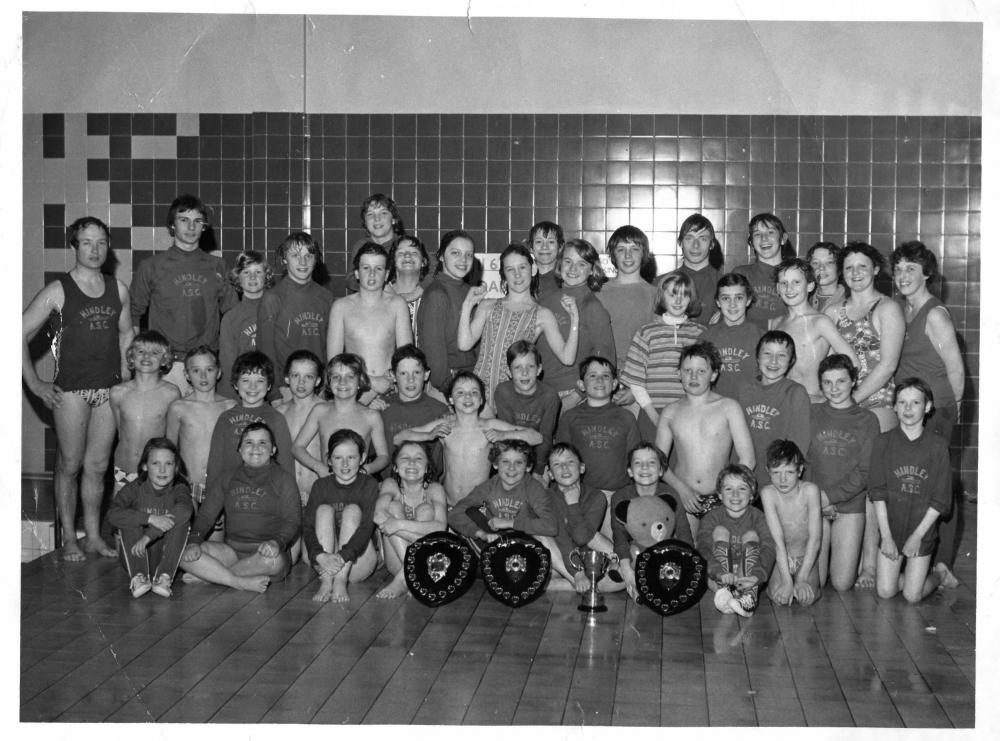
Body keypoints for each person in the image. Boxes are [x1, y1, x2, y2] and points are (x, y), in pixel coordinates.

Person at [22, 216, 132, 561]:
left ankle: (94, 536)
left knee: (98, 466)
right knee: (70, 464)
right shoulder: (59, 289)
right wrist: (35, 383)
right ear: (74, 245)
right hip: (70, 392)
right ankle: (69, 537)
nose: (95, 249)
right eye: (87, 242)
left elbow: (126, 333)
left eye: (101, 242)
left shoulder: (119, 289)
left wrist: (126, 378)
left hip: (107, 391)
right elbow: (16, 333)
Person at [891, 241, 964, 589]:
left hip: (936, 409)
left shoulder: (934, 314)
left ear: (927, 274)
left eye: (911, 269)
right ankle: (923, 556)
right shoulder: (902, 311)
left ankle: (944, 563)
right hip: (912, 408)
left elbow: (956, 370)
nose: (903, 275)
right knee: (918, 480)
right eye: (899, 268)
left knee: (937, 483)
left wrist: (949, 412)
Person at [130, 194, 237, 394]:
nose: (191, 227)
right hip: (165, 365)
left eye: (197, 221)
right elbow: (133, 317)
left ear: (204, 226)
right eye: (184, 220)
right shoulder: (151, 266)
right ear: (172, 225)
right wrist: (137, 367)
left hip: (204, 365)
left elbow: (234, 316)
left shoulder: (217, 266)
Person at [181, 422, 300, 592]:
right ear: (239, 449)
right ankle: (236, 580)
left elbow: (293, 520)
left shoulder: (284, 479)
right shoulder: (227, 478)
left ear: (273, 449)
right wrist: (194, 542)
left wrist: (276, 542)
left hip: (265, 555)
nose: (255, 448)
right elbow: (206, 515)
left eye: (263, 443)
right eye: (249, 442)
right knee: (183, 553)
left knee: (273, 562)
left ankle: (212, 576)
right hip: (231, 552)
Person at [459, 243, 579, 408]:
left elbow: (567, 358)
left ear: (533, 269)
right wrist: (467, 305)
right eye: (510, 269)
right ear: (503, 275)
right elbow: (465, 344)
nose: (517, 275)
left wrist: (575, 319)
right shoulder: (488, 305)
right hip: (478, 395)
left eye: (522, 267)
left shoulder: (542, 314)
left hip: (513, 398)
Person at [656, 342, 755, 538]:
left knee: (719, 559)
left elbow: (748, 460)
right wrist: (681, 489)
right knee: (686, 558)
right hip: (683, 496)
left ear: (714, 374)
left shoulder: (728, 407)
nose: (694, 377)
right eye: (688, 370)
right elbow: (658, 462)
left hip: (722, 498)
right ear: (678, 374)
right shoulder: (670, 411)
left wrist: (729, 494)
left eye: (701, 371)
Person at [403, 371, 542, 506]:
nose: (468, 397)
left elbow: (536, 437)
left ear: (481, 400)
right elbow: (400, 437)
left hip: (477, 506)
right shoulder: (444, 426)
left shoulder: (489, 426)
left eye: (474, 392)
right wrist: (428, 435)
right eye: (460, 392)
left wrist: (503, 435)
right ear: (451, 399)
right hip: (447, 504)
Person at [870, 379, 952, 603]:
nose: (908, 409)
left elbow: (940, 500)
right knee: (885, 592)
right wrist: (886, 537)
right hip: (892, 528)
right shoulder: (882, 442)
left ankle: (939, 574)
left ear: (927, 407)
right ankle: (908, 573)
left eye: (915, 402)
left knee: (912, 596)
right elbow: (877, 493)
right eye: (902, 402)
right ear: (894, 407)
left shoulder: (937, 446)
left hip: (921, 529)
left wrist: (917, 537)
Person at [807, 354, 879, 591]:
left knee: (841, 584)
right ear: (820, 384)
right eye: (827, 382)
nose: (834, 388)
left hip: (849, 505)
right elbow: (803, 461)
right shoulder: (812, 413)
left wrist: (831, 497)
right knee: (814, 581)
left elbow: (866, 471)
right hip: (815, 503)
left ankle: (859, 560)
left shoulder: (867, 420)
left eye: (841, 381)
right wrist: (815, 498)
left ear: (853, 381)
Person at [555, 356, 641, 537]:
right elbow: (561, 460)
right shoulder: (570, 418)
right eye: (592, 376)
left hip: (615, 496)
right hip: (581, 495)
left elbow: (635, 461)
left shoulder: (626, 418)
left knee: (612, 549)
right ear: (581, 384)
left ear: (615, 383)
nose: (600, 380)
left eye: (606, 376)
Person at [825, 241, 904, 430]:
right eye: (849, 268)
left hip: (878, 399)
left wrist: (852, 399)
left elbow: (888, 366)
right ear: (842, 273)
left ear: (875, 269)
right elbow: (827, 363)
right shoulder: (833, 312)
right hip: (839, 398)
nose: (855, 273)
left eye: (862, 266)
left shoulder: (887, 308)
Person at [621, 270, 706, 440]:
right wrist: (653, 416)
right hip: (652, 411)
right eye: (672, 294)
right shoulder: (646, 333)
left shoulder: (700, 333)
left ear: (691, 299)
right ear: (662, 296)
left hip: (691, 411)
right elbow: (636, 383)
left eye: (684, 295)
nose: (678, 300)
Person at [107, 437, 193, 598]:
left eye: (168, 464)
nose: (162, 470)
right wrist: (149, 518)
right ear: (145, 466)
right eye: (155, 463)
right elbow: (112, 514)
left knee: (181, 519)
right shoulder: (135, 488)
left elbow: (185, 510)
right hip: (135, 556)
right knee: (129, 518)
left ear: (176, 468)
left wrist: (149, 536)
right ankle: (138, 577)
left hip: (169, 558)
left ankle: (164, 577)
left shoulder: (179, 489)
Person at [302, 429, 381, 603]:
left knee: (352, 510)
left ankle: (339, 580)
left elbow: (366, 528)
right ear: (329, 459)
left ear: (362, 458)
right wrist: (320, 556)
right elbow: (307, 527)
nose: (345, 464)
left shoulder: (369, 485)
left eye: (351, 458)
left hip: (356, 560)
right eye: (338, 458)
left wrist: (342, 557)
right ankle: (326, 580)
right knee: (323, 510)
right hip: (325, 559)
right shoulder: (320, 485)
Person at [537, 239, 615, 410]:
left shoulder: (592, 307)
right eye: (568, 261)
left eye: (581, 264)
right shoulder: (546, 301)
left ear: (592, 270)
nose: (573, 269)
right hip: (540, 390)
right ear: (559, 265)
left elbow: (606, 359)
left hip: (572, 393)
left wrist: (577, 395)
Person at [328, 242, 412, 402]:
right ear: (357, 273)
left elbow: (406, 359)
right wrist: (371, 384)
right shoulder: (341, 307)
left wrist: (387, 384)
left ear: (387, 275)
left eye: (378, 268)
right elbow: (334, 363)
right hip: (353, 392)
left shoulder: (397, 305)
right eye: (366, 268)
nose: (372, 274)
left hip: (389, 390)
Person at [610, 443, 695, 602]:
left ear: (661, 470)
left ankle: (648, 587)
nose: (644, 468)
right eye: (637, 463)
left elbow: (684, 532)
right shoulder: (620, 497)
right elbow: (619, 537)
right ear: (629, 471)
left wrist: (686, 563)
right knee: (615, 578)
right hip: (634, 552)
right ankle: (638, 584)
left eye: (651, 462)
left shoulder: (670, 493)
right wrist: (627, 569)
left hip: (664, 554)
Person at [257, 232, 333, 401]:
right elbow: (266, 352)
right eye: (295, 255)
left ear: (316, 259)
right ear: (284, 259)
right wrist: (276, 393)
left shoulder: (326, 298)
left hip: (318, 389)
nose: (303, 262)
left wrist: (325, 387)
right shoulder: (273, 298)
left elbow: (330, 349)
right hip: (286, 390)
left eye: (309, 255)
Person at [769, 257, 858, 402]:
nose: (789, 288)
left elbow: (853, 363)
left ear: (810, 286)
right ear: (778, 289)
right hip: (783, 402)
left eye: (796, 282)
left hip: (812, 403)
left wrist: (830, 397)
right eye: (784, 283)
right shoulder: (777, 324)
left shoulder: (820, 322)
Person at [291, 353, 390, 481]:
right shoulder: (320, 411)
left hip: (360, 484)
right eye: (336, 377)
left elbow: (383, 456)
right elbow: (297, 447)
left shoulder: (371, 416)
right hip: (329, 484)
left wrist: (366, 470)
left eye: (350, 377)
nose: (342, 382)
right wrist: (319, 467)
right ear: (329, 382)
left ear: (360, 382)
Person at [206, 351, 295, 490]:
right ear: (235, 384)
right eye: (245, 380)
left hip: (266, 496)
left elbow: (286, 465)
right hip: (230, 495)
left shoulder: (276, 418)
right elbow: (214, 465)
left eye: (260, 381)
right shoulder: (225, 418)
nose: (252, 387)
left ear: (269, 386)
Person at [447, 439, 557, 550]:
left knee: (543, 535)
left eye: (519, 462)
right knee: (470, 512)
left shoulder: (533, 487)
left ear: (528, 467)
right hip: (495, 538)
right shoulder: (489, 486)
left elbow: (551, 526)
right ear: (495, 464)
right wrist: (480, 534)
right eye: (505, 462)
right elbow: (454, 514)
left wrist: (510, 523)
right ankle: (486, 557)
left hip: (524, 538)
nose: (511, 468)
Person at [541, 443, 623, 593]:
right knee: (541, 537)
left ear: (581, 468)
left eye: (570, 462)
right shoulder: (546, 498)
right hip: (558, 559)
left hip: (587, 557)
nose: (564, 468)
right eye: (557, 464)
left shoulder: (597, 497)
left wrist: (573, 503)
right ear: (551, 474)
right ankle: (578, 583)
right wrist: (577, 574)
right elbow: (563, 540)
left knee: (623, 571)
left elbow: (582, 537)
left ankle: (551, 585)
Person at [697, 464, 776, 616]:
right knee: (720, 531)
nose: (735, 494)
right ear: (719, 494)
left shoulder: (758, 517)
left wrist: (756, 576)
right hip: (718, 574)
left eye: (742, 488)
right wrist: (719, 573)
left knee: (752, 535)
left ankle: (748, 597)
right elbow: (703, 548)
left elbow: (769, 547)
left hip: (749, 573)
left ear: (752, 494)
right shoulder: (711, 518)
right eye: (728, 489)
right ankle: (725, 590)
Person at [372, 441, 448, 599]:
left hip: (428, 560)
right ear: (395, 467)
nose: (412, 462)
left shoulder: (434, 489)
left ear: (427, 468)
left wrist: (399, 525)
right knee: (392, 507)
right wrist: (414, 535)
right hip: (397, 560)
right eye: (405, 458)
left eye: (419, 459)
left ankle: (403, 578)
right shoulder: (391, 484)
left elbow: (440, 527)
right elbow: (378, 515)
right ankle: (411, 571)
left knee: (425, 510)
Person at [737, 331, 812, 489]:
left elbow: (798, 447)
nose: (773, 361)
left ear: (791, 361)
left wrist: (781, 482)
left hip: (777, 484)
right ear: (757, 357)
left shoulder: (795, 393)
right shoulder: (743, 390)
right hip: (743, 481)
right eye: (767, 354)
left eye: (782, 356)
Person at [110, 331, 181, 491]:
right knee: (119, 514)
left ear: (164, 359)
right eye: (141, 351)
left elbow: (171, 440)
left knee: (150, 514)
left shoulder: (171, 393)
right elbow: (121, 432)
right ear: (131, 357)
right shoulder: (118, 392)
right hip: (124, 468)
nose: (146, 356)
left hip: (154, 472)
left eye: (154, 352)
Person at [165, 346, 236, 503]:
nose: (203, 376)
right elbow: (170, 449)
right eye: (196, 370)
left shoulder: (230, 407)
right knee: (189, 526)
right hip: (188, 484)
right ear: (186, 375)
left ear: (218, 372)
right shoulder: (178, 407)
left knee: (220, 528)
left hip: (221, 485)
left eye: (209, 369)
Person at [415, 230, 478, 400]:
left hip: (470, 381)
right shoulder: (437, 294)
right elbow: (434, 353)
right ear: (442, 256)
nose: (463, 260)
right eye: (455, 253)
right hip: (447, 387)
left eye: (469, 255)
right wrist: (449, 389)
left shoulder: (467, 291)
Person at [760, 440, 821, 606]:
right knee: (779, 598)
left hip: (805, 556)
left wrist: (801, 578)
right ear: (768, 472)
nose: (783, 479)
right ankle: (776, 584)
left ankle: (808, 581)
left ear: (800, 470)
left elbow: (815, 540)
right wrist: (787, 581)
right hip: (781, 558)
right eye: (776, 472)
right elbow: (777, 542)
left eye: (789, 472)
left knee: (806, 599)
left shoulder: (810, 491)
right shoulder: (768, 494)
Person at [598, 225, 658, 380]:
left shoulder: (655, 295)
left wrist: (636, 383)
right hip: (604, 375)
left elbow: (658, 345)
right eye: (621, 249)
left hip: (642, 377)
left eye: (634, 249)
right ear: (612, 254)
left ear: (644, 253)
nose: (628, 255)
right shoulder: (598, 294)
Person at [493, 340, 561, 477]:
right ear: (509, 371)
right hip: (511, 454)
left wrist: (538, 471)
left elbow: (545, 437)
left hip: (539, 456)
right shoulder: (503, 391)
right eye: (517, 367)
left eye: (530, 366)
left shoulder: (550, 395)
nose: (524, 373)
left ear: (539, 369)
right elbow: (508, 433)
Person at [380, 344, 450, 467]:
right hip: (390, 481)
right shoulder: (382, 406)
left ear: (426, 374)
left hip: (427, 481)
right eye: (403, 373)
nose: (410, 379)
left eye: (416, 372)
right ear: (393, 376)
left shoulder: (439, 410)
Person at [272, 350, 325, 506]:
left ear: (317, 381)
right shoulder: (278, 413)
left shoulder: (327, 410)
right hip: (286, 495)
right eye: (296, 376)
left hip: (319, 492)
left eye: (308, 377)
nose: (301, 383)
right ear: (287, 379)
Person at [218, 251, 272, 400]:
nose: (253, 277)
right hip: (245, 390)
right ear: (238, 278)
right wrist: (231, 400)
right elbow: (228, 364)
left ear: (266, 275)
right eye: (246, 272)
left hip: (274, 388)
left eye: (258, 272)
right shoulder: (231, 318)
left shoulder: (277, 309)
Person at [701, 273, 763, 401]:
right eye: (725, 298)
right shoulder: (705, 337)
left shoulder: (761, 337)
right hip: (715, 410)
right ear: (718, 302)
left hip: (751, 409)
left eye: (739, 298)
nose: (732, 304)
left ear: (749, 300)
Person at [735, 212, 795, 330]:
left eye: (770, 232)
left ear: (783, 239)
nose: (764, 238)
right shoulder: (741, 274)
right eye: (757, 234)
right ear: (751, 243)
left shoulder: (795, 274)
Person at [345, 193, 407, 294]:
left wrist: (415, 292)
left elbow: (433, 272)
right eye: (370, 214)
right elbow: (350, 279)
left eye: (383, 213)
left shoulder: (406, 244)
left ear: (393, 220)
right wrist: (379, 286)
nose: (376, 219)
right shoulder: (360, 246)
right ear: (365, 222)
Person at [671, 213, 725, 324]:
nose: (695, 245)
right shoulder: (662, 284)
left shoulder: (726, 286)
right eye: (689, 238)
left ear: (712, 244)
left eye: (703, 239)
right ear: (680, 243)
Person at [384, 234, 431, 344]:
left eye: (414, 252)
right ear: (393, 261)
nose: (407, 255)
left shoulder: (432, 294)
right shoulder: (381, 294)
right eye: (401, 252)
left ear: (424, 262)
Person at [527, 220, 564, 300]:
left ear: (560, 247)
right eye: (539, 242)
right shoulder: (523, 276)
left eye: (551, 242)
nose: (544, 247)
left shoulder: (567, 277)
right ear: (531, 248)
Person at [806, 241, 845, 313]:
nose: (821, 268)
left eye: (829, 262)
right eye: (815, 263)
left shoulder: (849, 299)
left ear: (839, 267)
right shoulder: (805, 299)